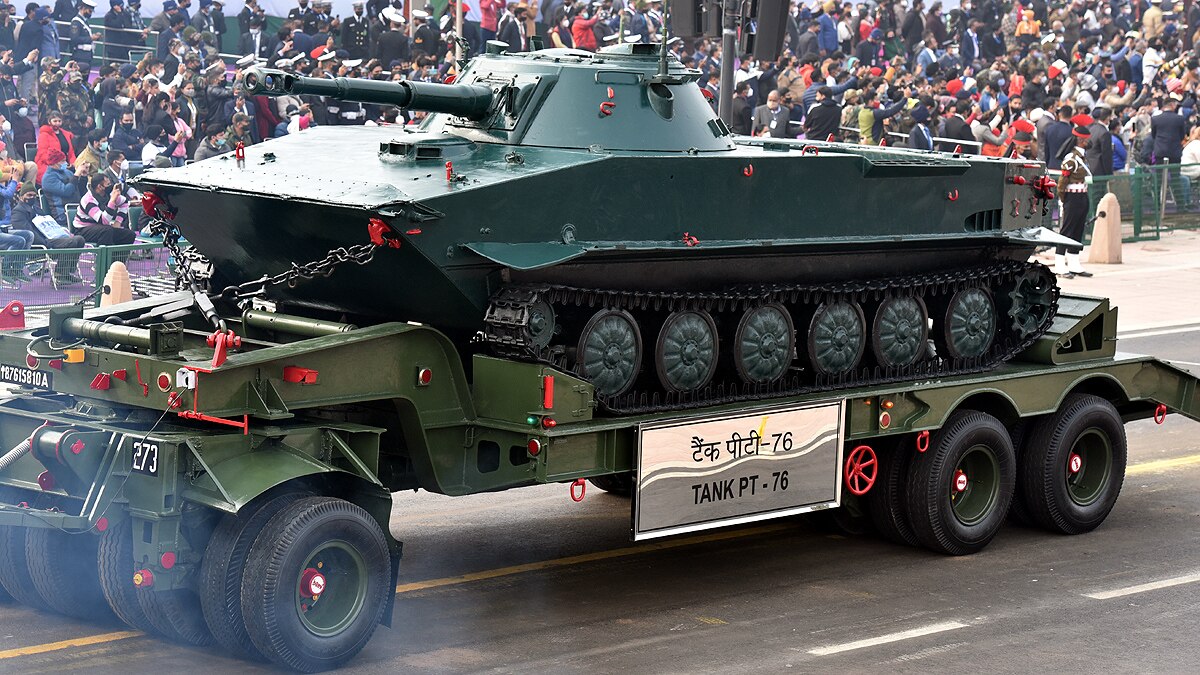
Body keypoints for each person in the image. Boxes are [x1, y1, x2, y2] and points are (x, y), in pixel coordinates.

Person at [1055, 123, 1093, 279]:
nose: (1089, 142)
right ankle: (1059, 263)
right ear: (1081, 140)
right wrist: (1063, 199)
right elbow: (1062, 181)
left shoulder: (1082, 157)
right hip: (1072, 196)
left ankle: (1074, 262)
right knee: (1067, 230)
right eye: (1087, 139)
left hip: (1082, 195)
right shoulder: (1071, 159)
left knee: (1078, 229)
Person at [74, 172, 136, 245]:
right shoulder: (88, 200)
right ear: (100, 187)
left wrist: (118, 222)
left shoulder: (108, 194)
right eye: (108, 184)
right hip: (83, 229)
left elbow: (124, 203)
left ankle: (121, 256)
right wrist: (112, 201)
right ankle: (106, 256)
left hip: (101, 228)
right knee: (107, 231)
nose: (110, 186)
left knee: (129, 234)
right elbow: (104, 221)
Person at [34, 109, 76, 183]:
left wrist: (73, 163)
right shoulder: (44, 135)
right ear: (49, 122)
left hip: (65, 165)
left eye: (59, 121)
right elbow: (42, 153)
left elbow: (71, 152)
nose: (57, 123)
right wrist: (57, 164)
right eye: (55, 121)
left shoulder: (66, 135)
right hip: (48, 165)